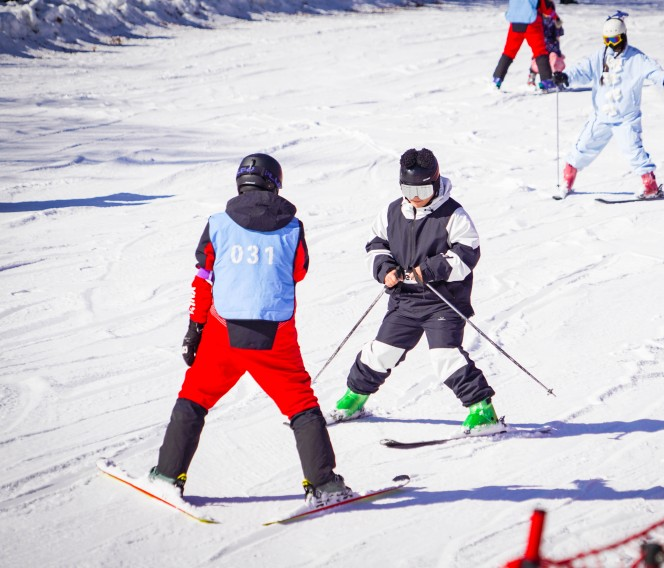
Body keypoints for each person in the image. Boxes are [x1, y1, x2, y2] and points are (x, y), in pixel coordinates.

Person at [150, 153, 352, 507]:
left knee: (195, 396)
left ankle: (168, 475)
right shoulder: (293, 228)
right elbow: (299, 272)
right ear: (275, 185)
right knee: (300, 403)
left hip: (223, 330)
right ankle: (323, 484)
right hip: (275, 335)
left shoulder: (218, 224)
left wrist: (194, 328)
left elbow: (203, 280)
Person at [331, 148, 499, 434]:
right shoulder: (391, 212)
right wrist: (386, 270)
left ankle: (483, 411)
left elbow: (467, 253)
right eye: (408, 189)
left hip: (443, 302)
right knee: (381, 352)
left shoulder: (453, 214)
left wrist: (429, 270)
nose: (416, 196)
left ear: (436, 182)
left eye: (422, 189)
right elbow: (376, 245)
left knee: (445, 357)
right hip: (404, 301)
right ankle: (355, 398)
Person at [553, 12, 664, 198]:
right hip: (601, 117)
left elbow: (654, 71)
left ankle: (650, 185)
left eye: (614, 39)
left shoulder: (636, 58)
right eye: (607, 40)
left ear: (623, 36)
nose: (611, 45)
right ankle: (567, 180)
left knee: (633, 150)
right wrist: (566, 76)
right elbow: (582, 69)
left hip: (626, 117)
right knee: (583, 147)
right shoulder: (600, 56)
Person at [493, 0, 557, 92]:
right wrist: (554, 16)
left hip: (515, 23)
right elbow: (546, 9)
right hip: (532, 24)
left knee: (508, 52)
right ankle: (547, 82)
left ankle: (497, 80)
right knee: (540, 52)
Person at [527, 1, 566, 88]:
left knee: (554, 62)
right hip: (541, 46)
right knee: (538, 62)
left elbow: (558, 36)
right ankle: (532, 77)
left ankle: (557, 79)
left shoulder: (554, 21)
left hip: (552, 47)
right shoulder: (539, 20)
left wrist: (557, 48)